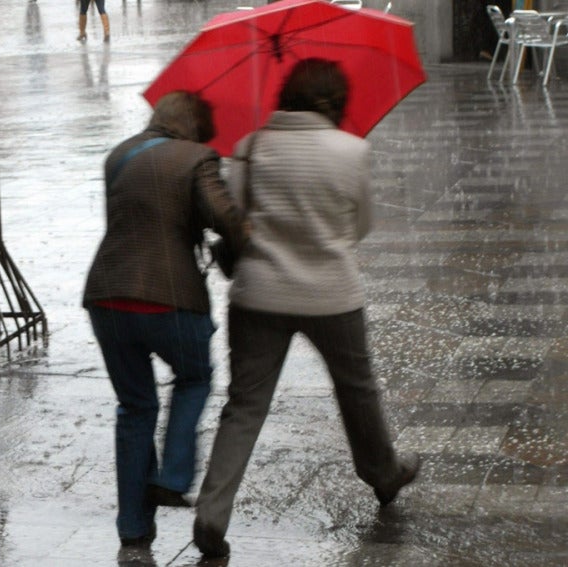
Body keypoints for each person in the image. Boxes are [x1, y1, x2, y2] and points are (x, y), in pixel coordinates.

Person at [192, 58, 421, 559]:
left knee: (245, 406)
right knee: (356, 390)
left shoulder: (250, 148)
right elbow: (361, 225)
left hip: (258, 294)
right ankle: (383, 474)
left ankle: (212, 512)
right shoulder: (353, 150)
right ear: (338, 102)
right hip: (332, 295)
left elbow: (237, 219)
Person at [83, 91, 246, 548]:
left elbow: (138, 218)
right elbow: (226, 218)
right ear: (194, 126)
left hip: (107, 297)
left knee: (135, 408)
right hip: (170, 299)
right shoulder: (199, 158)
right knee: (194, 377)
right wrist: (230, 250)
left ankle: (133, 527)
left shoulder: (118, 155)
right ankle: (173, 476)